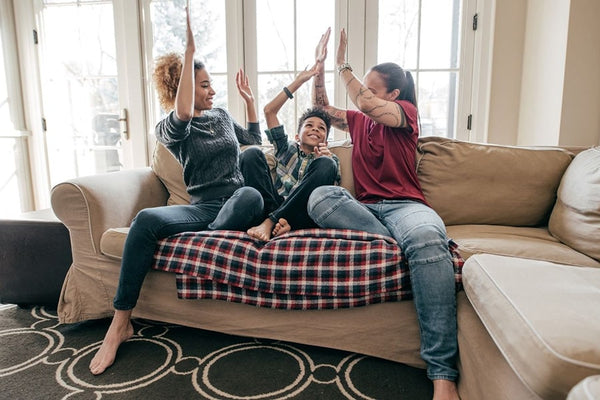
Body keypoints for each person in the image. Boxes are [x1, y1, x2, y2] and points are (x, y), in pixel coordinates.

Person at [89, 6, 264, 375]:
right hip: (202, 208)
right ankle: (120, 323)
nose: (212, 90)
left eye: (210, 83)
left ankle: (213, 234)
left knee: (251, 196)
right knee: (147, 220)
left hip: (235, 202)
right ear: (183, 88)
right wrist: (188, 54)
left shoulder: (221, 116)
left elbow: (252, 139)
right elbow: (182, 114)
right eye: (204, 85)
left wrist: (249, 102)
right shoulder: (170, 128)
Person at [307, 28, 460, 400]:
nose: (365, 95)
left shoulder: (405, 114)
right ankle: (397, 244)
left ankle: (443, 375)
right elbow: (323, 110)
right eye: (365, 88)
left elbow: (370, 105)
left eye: (373, 89)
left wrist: (346, 65)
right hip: (365, 209)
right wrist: (321, 67)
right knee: (321, 196)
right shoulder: (360, 122)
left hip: (407, 207)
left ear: (393, 95)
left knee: (426, 237)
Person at [244, 67, 340, 241]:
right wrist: (299, 82)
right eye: (309, 125)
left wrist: (324, 159)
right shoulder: (286, 149)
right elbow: (269, 111)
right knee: (251, 154)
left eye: (321, 128)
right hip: (273, 204)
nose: (315, 129)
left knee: (327, 165)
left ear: (325, 141)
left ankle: (272, 222)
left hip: (303, 212)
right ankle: (277, 221)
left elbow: (329, 196)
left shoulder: (330, 158)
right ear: (297, 136)